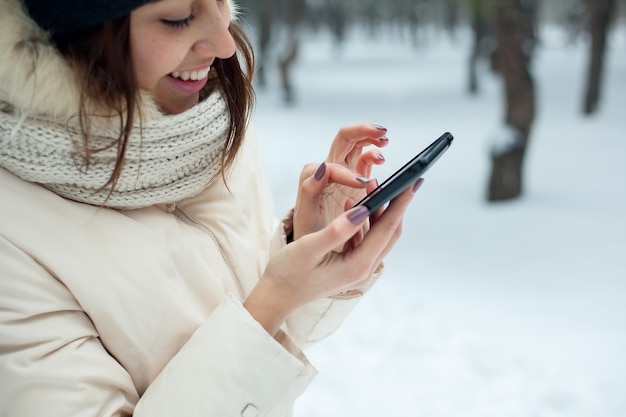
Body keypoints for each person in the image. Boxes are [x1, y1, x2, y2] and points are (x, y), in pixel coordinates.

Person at [0, 0, 422, 415]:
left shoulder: (207, 125)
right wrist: (272, 302)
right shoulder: (12, 236)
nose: (224, 44)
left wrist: (309, 251)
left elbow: (276, 335)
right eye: (178, 18)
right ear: (80, 28)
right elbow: (259, 317)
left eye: (220, 0)